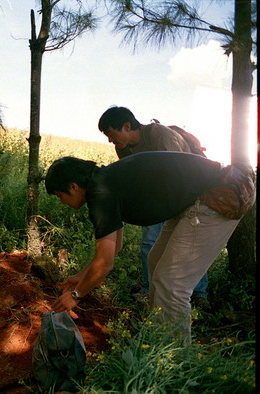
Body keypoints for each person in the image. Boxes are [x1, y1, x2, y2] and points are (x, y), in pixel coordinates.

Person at [44, 152, 248, 341]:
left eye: (60, 196)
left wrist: (75, 295)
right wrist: (81, 276)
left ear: (73, 186)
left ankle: (174, 359)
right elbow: (115, 248)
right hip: (199, 197)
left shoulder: (101, 195)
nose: (62, 203)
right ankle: (157, 333)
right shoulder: (104, 182)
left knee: (173, 283)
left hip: (222, 193)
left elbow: (106, 264)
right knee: (155, 261)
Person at [97, 106, 210, 311]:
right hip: (156, 197)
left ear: (127, 126)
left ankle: (200, 294)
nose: (110, 141)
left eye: (111, 134)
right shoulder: (123, 148)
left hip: (187, 194)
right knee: (149, 243)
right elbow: (129, 176)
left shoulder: (161, 135)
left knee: (189, 246)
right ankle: (150, 289)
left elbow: (180, 172)